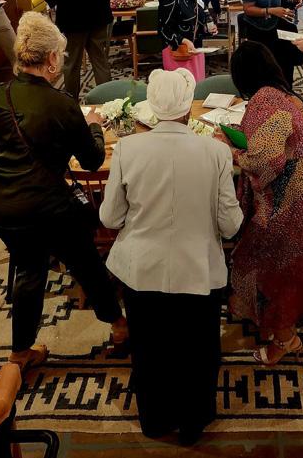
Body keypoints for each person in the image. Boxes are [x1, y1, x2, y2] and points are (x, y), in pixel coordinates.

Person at [0, 12, 127, 371]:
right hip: (45, 206)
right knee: (85, 261)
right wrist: (93, 126)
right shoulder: (62, 104)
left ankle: (20, 351)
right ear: (52, 59)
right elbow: (92, 160)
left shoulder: (0, 95)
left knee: (30, 268)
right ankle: (120, 326)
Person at [101, 68, 243, 445]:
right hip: (199, 270)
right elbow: (230, 225)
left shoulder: (127, 149)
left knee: (149, 349)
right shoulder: (216, 152)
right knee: (199, 350)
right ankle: (194, 423)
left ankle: (154, 420)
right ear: (186, 109)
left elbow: (110, 218)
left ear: (152, 106)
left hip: (141, 269)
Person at [226, 41, 303, 366]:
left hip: (298, 197)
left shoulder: (264, 101)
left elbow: (265, 161)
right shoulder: (275, 95)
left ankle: (286, 339)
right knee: (281, 262)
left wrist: (234, 153)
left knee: (273, 265)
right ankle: (278, 321)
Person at [158, 0, 218, 81]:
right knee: (180, 90)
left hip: (196, 52)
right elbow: (163, 29)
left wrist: (208, 29)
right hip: (176, 53)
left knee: (197, 89)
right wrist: (183, 41)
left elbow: (199, 24)